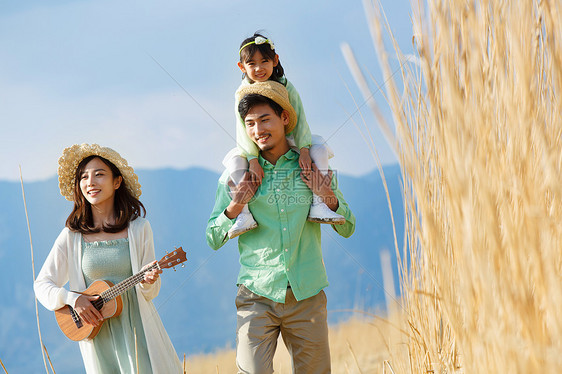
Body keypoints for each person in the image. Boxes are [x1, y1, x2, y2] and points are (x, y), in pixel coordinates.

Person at [207, 81, 356, 373]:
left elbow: (348, 226)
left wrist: (324, 193)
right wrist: (236, 205)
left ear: (284, 119)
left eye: (265, 119)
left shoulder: (312, 165)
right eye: (249, 123)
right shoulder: (236, 174)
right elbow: (212, 236)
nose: (257, 130)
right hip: (256, 296)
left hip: (307, 296)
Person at [34, 144, 182, 374]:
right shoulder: (71, 237)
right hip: (97, 334)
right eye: (84, 177)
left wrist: (148, 280)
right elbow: (42, 285)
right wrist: (73, 299)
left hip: (137, 331)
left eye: (99, 174)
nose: (90, 182)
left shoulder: (139, 228)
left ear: (117, 182)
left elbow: (150, 294)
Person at [223, 31, 345, 239]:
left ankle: (319, 202)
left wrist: (304, 149)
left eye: (265, 61)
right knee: (234, 162)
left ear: (275, 60)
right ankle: (242, 214)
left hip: (291, 138)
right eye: (252, 64)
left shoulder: (286, 86)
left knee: (320, 149)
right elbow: (243, 131)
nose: (259, 68)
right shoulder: (241, 93)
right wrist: (252, 160)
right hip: (251, 147)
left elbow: (301, 120)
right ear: (241, 67)